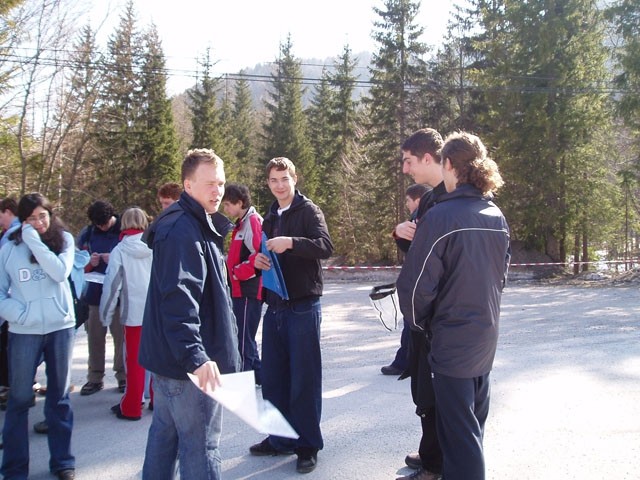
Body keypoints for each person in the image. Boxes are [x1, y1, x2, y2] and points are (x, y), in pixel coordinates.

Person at [397, 131, 510, 480]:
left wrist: (421, 325)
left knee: (460, 442)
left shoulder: (443, 216)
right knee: (471, 431)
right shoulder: (495, 215)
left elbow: (415, 288)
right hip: (484, 339)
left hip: (451, 342)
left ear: (448, 165)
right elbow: (500, 278)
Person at [138, 148, 240, 480]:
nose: (218, 191)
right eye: (209, 183)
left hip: (171, 363)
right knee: (201, 447)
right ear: (188, 184)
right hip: (188, 367)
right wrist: (196, 356)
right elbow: (178, 299)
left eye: (221, 183)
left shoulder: (195, 223)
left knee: (164, 439)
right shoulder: (182, 229)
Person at [249, 157, 333, 474]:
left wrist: (292, 243)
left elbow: (325, 246)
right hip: (276, 307)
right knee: (273, 380)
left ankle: (307, 446)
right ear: (268, 183)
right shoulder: (269, 216)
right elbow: (264, 252)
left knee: (304, 380)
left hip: (303, 305)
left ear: (294, 178)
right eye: (273, 180)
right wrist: (259, 261)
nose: (280, 185)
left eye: (284, 178)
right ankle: (280, 439)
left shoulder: (308, 211)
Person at [0, 193, 76, 480]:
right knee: (19, 400)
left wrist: (33, 240)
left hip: (60, 328)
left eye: (42, 216)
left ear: (50, 214)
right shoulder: (8, 247)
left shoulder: (64, 240)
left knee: (59, 399)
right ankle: (14, 469)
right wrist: (19, 314)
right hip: (24, 332)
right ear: (22, 220)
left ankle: (63, 462)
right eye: (31, 219)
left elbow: (59, 272)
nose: (38, 223)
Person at [393, 128, 447, 480]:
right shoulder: (428, 201)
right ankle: (429, 454)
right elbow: (417, 252)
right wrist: (401, 235)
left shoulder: (453, 199)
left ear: (428, 158)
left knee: (440, 395)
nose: (405, 169)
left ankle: (436, 466)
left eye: (408, 161)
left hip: (441, 315)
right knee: (423, 393)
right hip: (420, 316)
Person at [100, 207, 152, 421]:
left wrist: (106, 315)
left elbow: (112, 287)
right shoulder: (156, 245)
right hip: (155, 312)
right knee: (157, 359)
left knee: (134, 362)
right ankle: (158, 401)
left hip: (133, 314)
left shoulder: (120, 250)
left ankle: (131, 406)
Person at [76, 200, 125, 395]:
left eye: (105, 223)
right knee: (95, 338)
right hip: (94, 294)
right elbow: (78, 263)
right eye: (99, 225)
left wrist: (112, 258)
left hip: (119, 294)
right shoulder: (87, 234)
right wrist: (90, 262)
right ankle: (95, 378)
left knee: (121, 339)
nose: (103, 227)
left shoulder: (123, 230)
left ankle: (123, 376)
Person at [380, 183, 429, 377]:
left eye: (408, 201)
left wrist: (397, 233)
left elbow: (412, 247)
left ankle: (403, 362)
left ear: (417, 200)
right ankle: (407, 362)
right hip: (419, 279)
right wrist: (397, 232)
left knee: (412, 323)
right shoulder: (423, 215)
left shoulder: (421, 216)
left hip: (420, 281)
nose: (407, 205)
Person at [222, 183, 264, 385]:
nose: (225, 209)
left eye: (228, 205)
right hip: (239, 289)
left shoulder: (253, 222)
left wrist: (236, 274)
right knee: (245, 335)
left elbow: (260, 257)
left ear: (240, 203)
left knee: (243, 337)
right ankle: (261, 376)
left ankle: (245, 380)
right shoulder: (241, 223)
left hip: (248, 290)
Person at [0, 197, 21, 403]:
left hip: (11, 299)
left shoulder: (11, 236)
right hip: (12, 300)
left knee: (8, 346)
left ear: (8, 211)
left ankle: (11, 387)